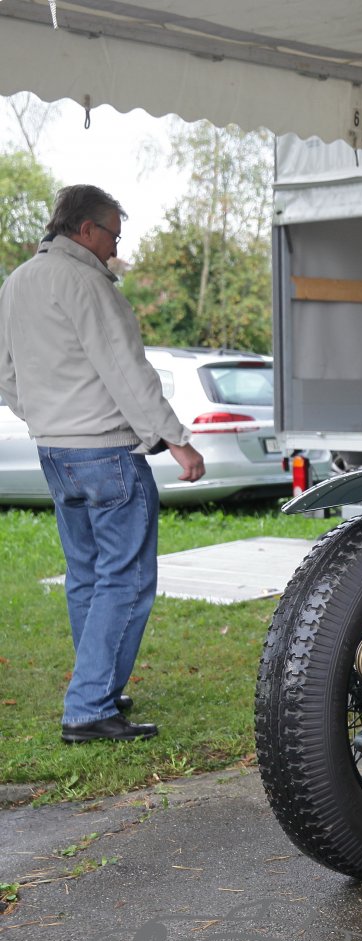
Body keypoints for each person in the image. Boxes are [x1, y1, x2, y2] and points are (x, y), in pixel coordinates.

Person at [0, 185, 206, 743]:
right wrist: (176, 440)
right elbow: (126, 370)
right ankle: (90, 706)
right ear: (85, 229)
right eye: (113, 234)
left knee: (87, 576)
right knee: (125, 579)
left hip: (55, 450)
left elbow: (5, 373)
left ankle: (98, 687)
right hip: (106, 451)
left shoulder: (18, 281)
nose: (116, 247)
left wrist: (45, 417)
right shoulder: (87, 282)